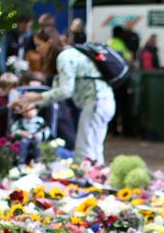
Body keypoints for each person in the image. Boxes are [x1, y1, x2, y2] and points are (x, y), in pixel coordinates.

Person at [10, 26, 115, 165]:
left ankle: (87, 182)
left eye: (39, 45)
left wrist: (36, 98)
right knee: (94, 150)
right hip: (101, 101)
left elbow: (65, 91)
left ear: (49, 42)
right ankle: (96, 180)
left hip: (96, 102)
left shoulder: (64, 57)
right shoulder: (68, 55)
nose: (37, 50)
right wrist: (33, 103)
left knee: (85, 152)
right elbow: (56, 92)